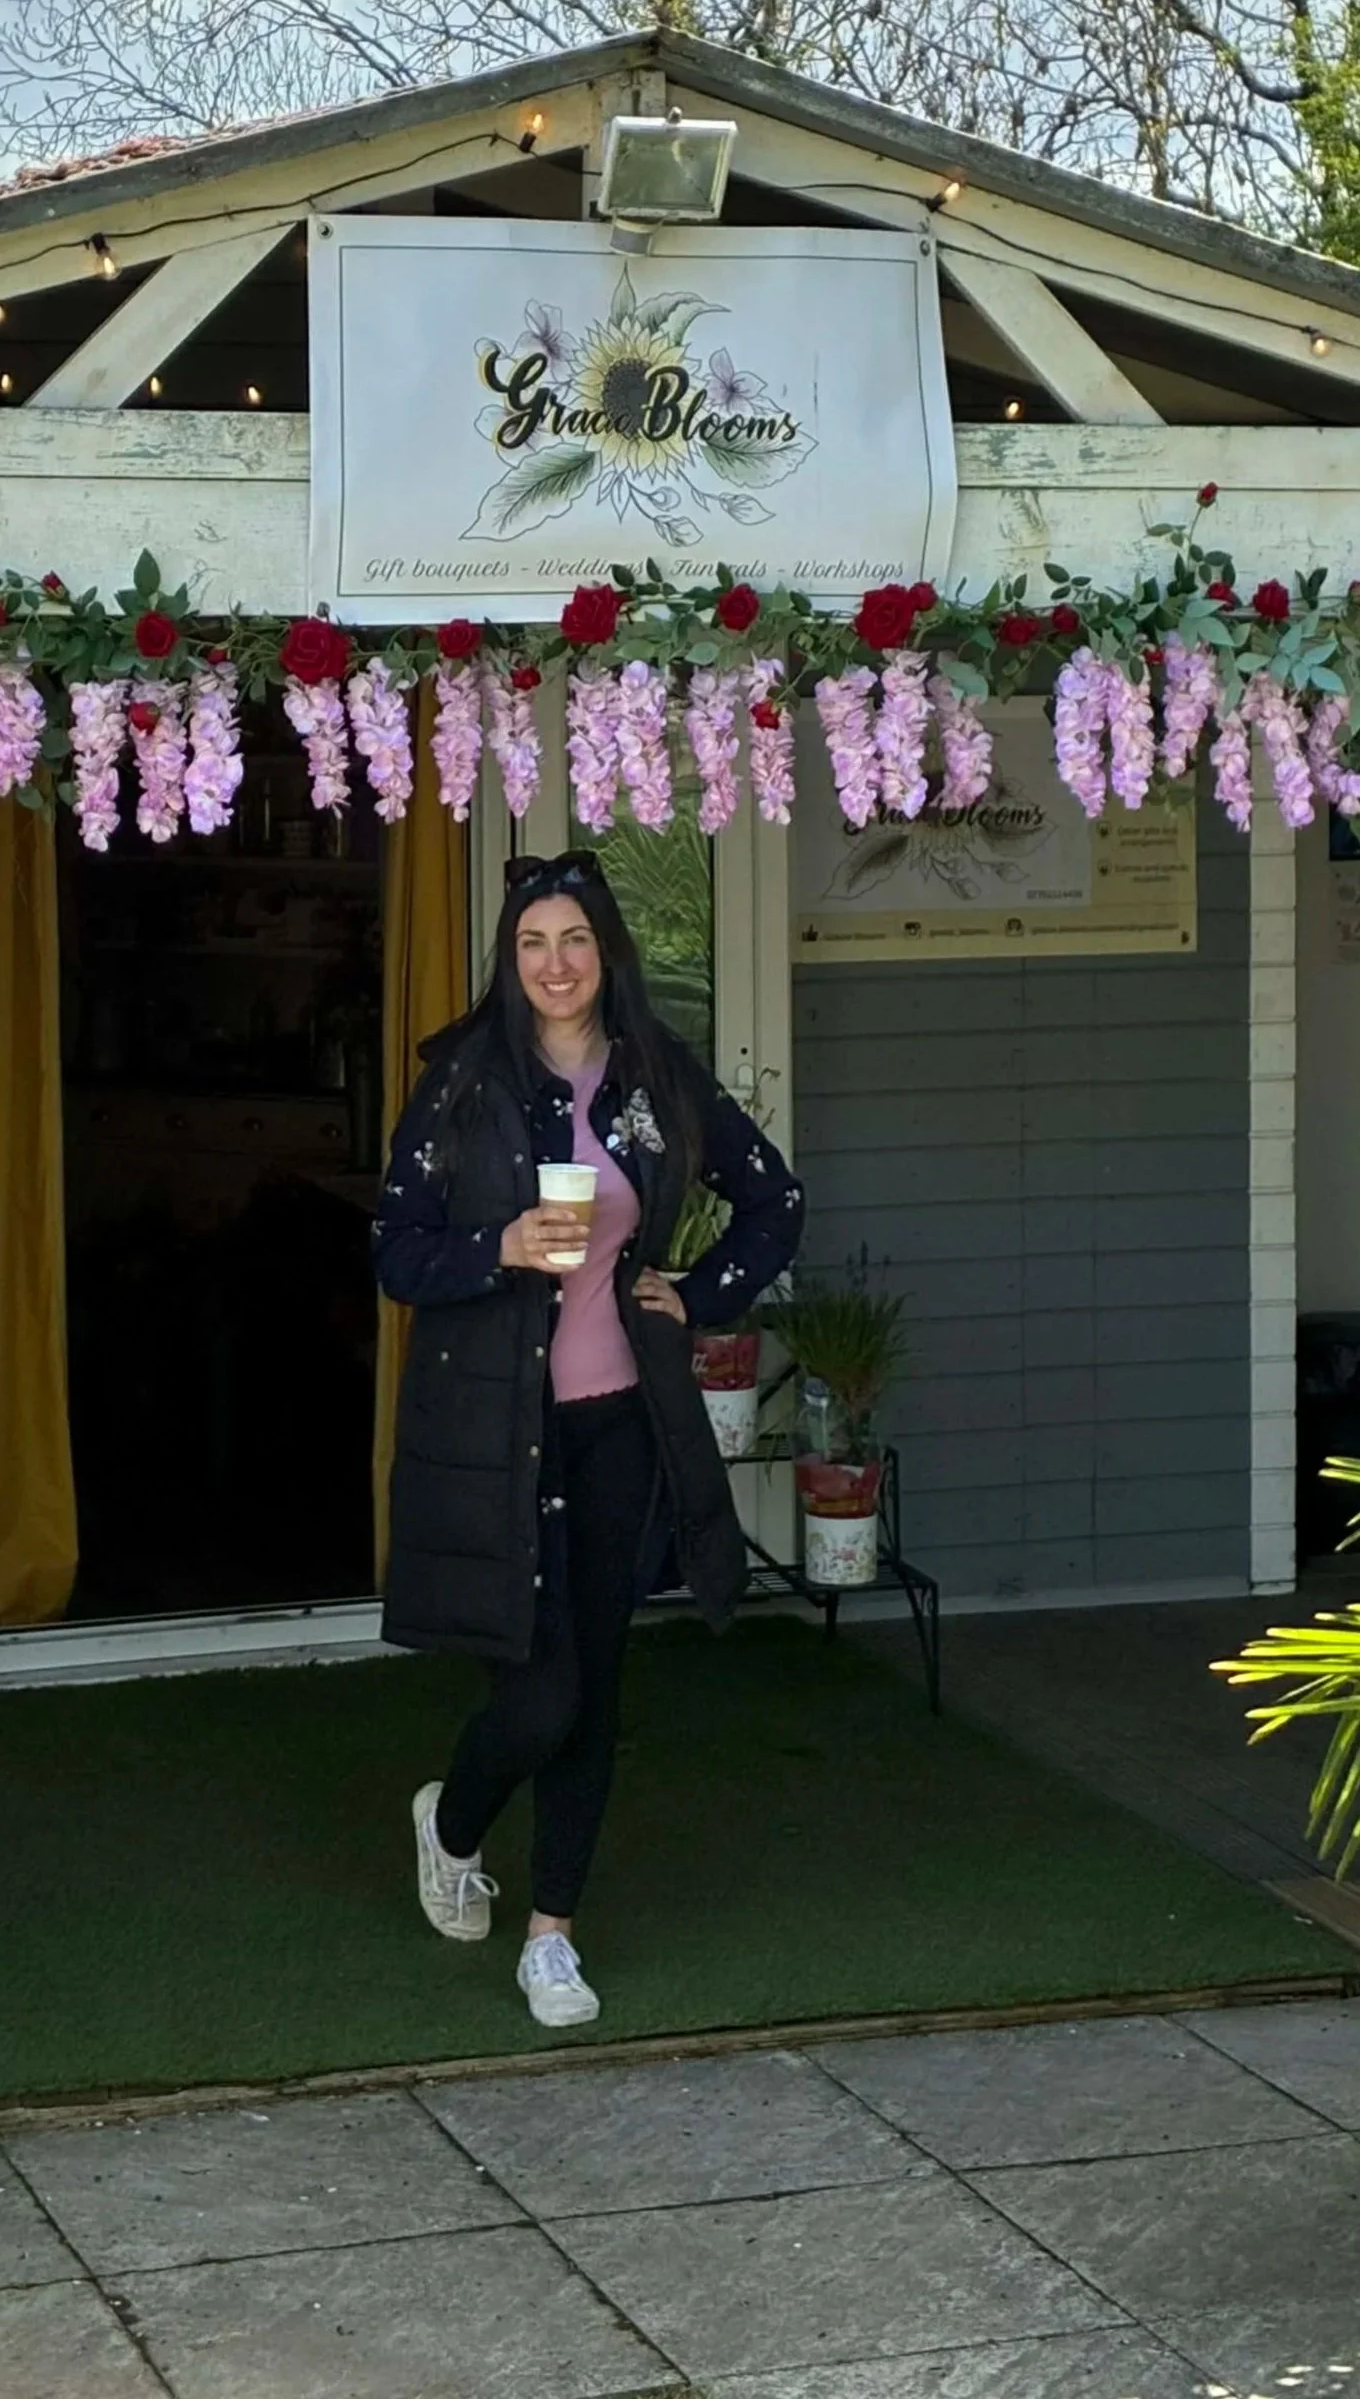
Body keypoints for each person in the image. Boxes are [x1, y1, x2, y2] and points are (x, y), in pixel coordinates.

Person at [373, 850, 804, 2028]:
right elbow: (393, 1249)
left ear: (607, 952)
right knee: (538, 1693)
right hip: (498, 1433)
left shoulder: (656, 1080)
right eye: (531, 945)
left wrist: (699, 1292)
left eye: (574, 941)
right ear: (509, 965)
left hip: (620, 1425)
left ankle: (552, 1934)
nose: (554, 965)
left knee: (596, 1685)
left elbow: (778, 1201)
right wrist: (496, 1250)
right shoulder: (465, 1085)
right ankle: (451, 1823)